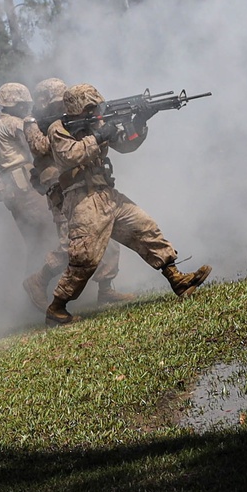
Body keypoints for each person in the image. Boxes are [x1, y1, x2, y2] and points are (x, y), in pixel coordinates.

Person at [44, 84, 211, 326]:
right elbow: (69, 156)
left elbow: (126, 144)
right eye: (89, 107)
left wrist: (140, 122)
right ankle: (57, 308)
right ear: (76, 107)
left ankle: (177, 280)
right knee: (86, 258)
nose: (94, 111)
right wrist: (100, 135)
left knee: (145, 229)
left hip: (107, 194)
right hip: (83, 200)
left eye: (95, 106)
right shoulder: (58, 129)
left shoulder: (97, 123)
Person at [21, 78, 132, 311]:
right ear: (42, 103)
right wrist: (63, 129)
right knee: (70, 245)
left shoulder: (71, 117)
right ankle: (38, 281)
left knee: (107, 231)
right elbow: (41, 148)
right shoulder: (33, 123)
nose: (60, 107)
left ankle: (106, 289)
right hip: (59, 189)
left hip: (83, 184)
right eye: (54, 104)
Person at [0, 82, 56, 273]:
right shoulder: (13, 123)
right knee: (48, 231)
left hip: (13, 189)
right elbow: (35, 145)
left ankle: (33, 290)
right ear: (14, 104)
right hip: (25, 187)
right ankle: (39, 286)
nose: (26, 107)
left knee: (33, 240)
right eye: (23, 104)